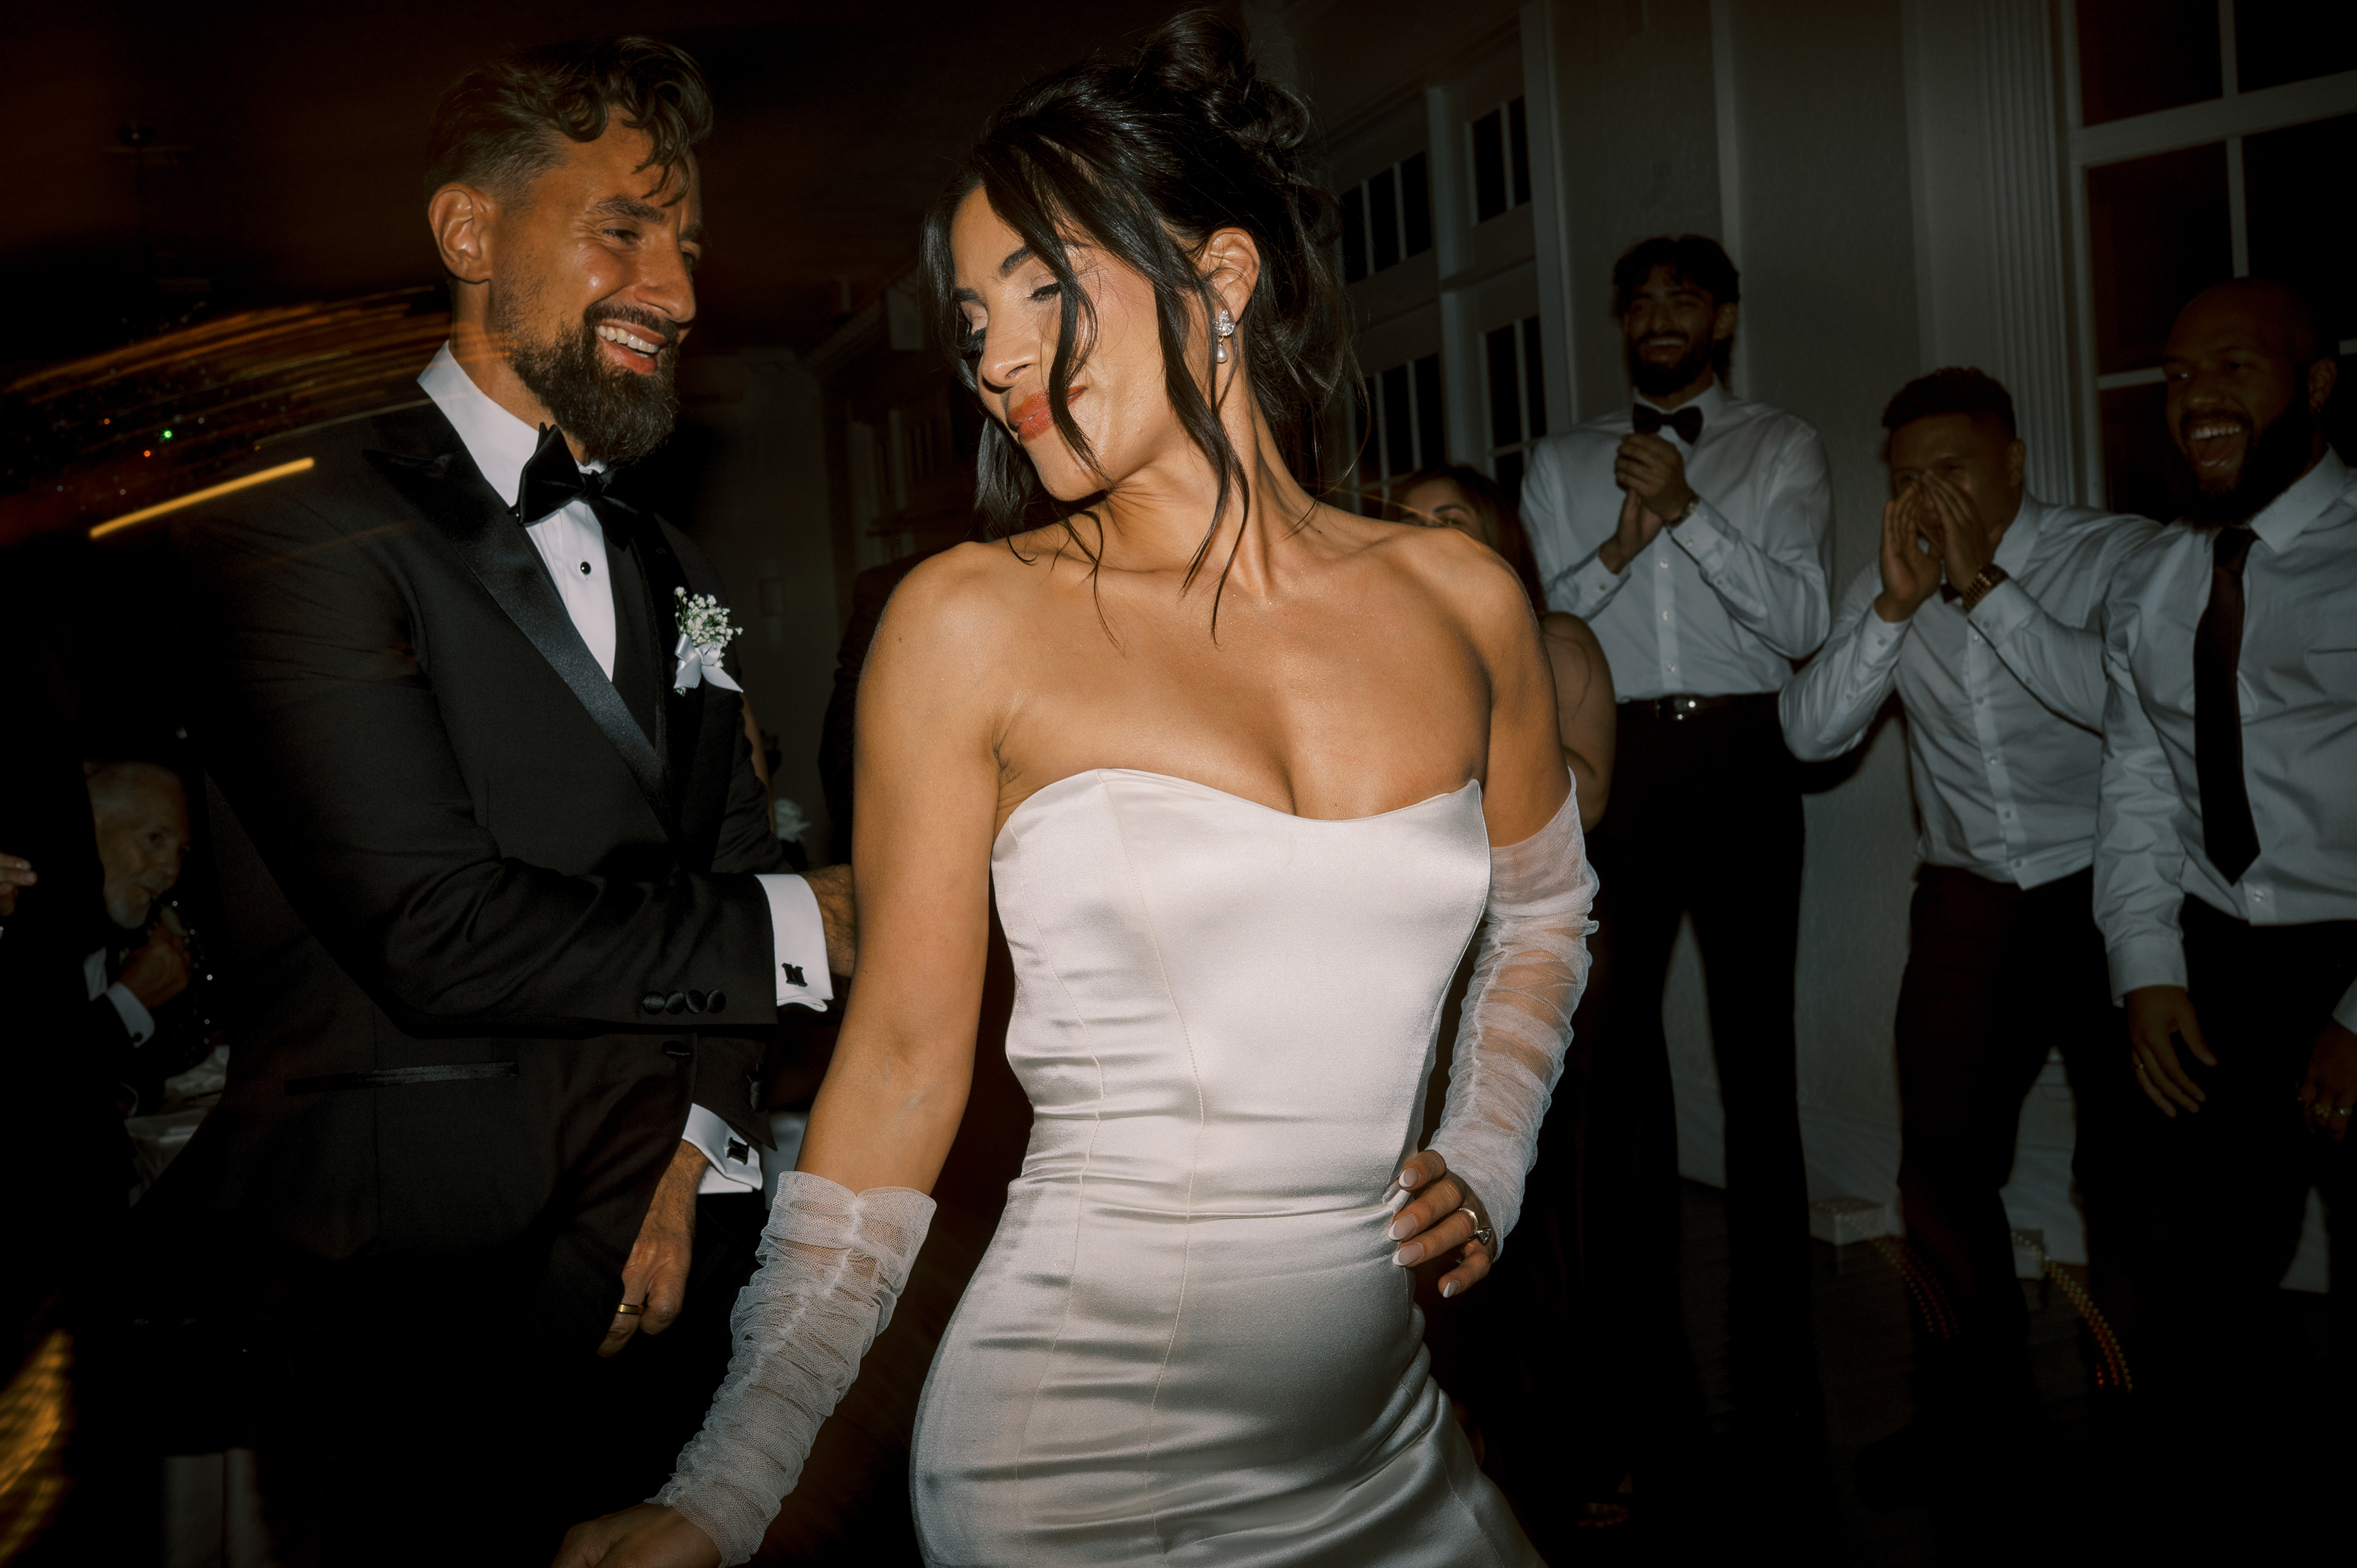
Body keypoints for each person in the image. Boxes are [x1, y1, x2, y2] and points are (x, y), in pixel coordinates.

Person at [560, 16, 1592, 1567]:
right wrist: (730, 1482)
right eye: (975, 316)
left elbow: (1547, 905)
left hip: (1390, 1437)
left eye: (1046, 289)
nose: (995, 358)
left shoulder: (1461, 600)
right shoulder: (968, 627)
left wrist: (1490, 1144)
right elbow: (896, 1080)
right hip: (1085, 1453)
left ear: (1222, 279)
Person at [135, 37, 851, 1564]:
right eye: (624, 230)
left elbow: (722, 857)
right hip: (402, 1297)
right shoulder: (298, 523)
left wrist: (690, 1149)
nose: (679, 288)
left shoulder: (676, 565)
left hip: (664, 1258)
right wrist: (811, 923)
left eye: (690, 244)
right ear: (470, 232)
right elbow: (434, 927)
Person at [1780, 368, 2156, 1495]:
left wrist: (1981, 586)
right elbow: (1806, 735)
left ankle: (2140, 1412)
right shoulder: (1884, 581)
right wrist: (1893, 610)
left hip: (2114, 888)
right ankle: (1966, 1414)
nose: (1924, 496)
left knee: (2127, 1170)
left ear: (2013, 465)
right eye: (1905, 477)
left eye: (1949, 469)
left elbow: (2118, 699)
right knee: (1939, 1169)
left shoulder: (2112, 555)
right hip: (1967, 900)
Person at [1518, 234, 1832, 1454]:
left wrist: (1688, 514)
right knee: (1610, 1048)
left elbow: (1801, 620)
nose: (1658, 317)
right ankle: (1629, 1311)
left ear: (1723, 319)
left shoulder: (1780, 446)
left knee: (1756, 1045)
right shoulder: (1559, 460)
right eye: (1639, 301)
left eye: (1682, 299)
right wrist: (1619, 545)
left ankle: (1775, 1322)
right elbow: (1535, 625)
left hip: (1743, 756)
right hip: (1614, 759)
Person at [2096, 280, 2356, 1492]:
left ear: (2315, 385)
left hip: (2349, 956)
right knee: (2204, 1286)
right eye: (2176, 375)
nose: (2194, 397)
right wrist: (2145, 965)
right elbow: (2138, 777)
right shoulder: (2154, 575)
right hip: (2215, 958)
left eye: (2232, 367)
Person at [1399, 465, 1613, 828]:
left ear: (1495, 538)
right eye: (1409, 523)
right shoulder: (1388, 651)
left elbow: (1589, 804)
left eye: (1449, 521)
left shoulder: (1556, 640)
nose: (1423, 537)